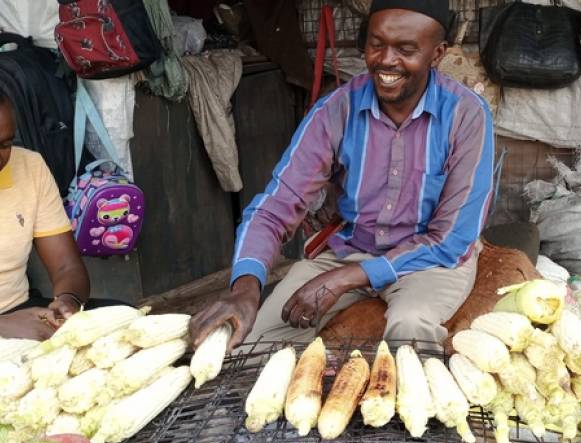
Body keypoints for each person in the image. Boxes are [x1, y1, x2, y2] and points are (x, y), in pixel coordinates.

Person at [190, 0, 494, 350]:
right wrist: (244, 288)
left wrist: (351, 277)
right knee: (257, 341)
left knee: (411, 327)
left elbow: (454, 238)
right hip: (352, 248)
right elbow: (276, 205)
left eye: (406, 50)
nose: (387, 60)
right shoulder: (337, 108)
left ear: (436, 54)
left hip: (430, 262)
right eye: (376, 44)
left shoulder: (466, 115)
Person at [0, 92, 90, 340]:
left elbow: (65, 266)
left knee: (124, 315)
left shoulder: (30, 167)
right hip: (14, 323)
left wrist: (67, 302)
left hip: (23, 311)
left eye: (5, 144)